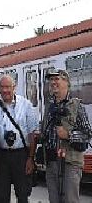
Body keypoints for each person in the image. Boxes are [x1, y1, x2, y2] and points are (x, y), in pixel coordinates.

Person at [42, 69, 92, 203]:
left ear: (66, 82)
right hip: (51, 162)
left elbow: (87, 134)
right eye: (51, 80)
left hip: (70, 163)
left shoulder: (76, 105)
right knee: (54, 200)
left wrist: (69, 135)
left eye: (57, 79)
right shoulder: (49, 105)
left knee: (70, 200)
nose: (53, 82)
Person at [0, 74, 39, 203]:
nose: (5, 90)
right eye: (2, 87)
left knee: (22, 194)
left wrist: (30, 158)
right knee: (1, 195)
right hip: (1, 156)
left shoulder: (26, 105)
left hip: (20, 155)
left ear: (14, 88)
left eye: (8, 87)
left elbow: (32, 134)